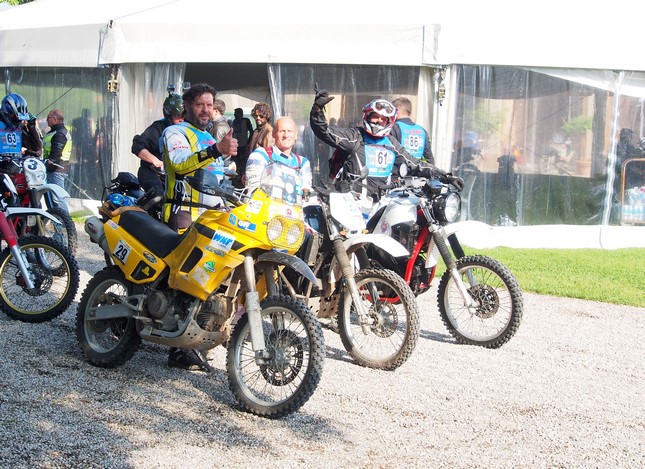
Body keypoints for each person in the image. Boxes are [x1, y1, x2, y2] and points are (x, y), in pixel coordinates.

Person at [160, 83, 238, 372]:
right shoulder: (176, 132)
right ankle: (178, 349)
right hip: (183, 213)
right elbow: (181, 165)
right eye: (200, 104)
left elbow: (215, 177)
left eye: (209, 105)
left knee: (212, 279)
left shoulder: (207, 137)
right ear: (188, 106)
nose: (206, 110)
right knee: (184, 283)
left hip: (212, 217)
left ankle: (198, 336)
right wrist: (217, 150)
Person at [310, 86, 463, 202]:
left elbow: (416, 164)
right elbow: (324, 131)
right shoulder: (354, 136)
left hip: (382, 203)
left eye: (383, 119)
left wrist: (446, 176)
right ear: (367, 116)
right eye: (375, 116)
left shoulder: (391, 142)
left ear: (389, 122)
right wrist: (317, 110)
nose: (378, 121)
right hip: (352, 202)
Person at [131, 93, 184, 198]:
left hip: (174, 176)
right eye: (178, 116)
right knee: (158, 197)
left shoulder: (187, 131)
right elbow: (137, 145)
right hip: (152, 173)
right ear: (169, 115)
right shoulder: (158, 128)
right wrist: (155, 161)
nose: (181, 119)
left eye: (184, 116)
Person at [244, 115, 312, 193]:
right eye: (282, 131)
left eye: (290, 131)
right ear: (273, 133)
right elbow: (253, 189)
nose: (286, 135)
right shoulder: (260, 155)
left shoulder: (302, 163)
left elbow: (307, 190)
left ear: (296, 135)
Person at [43, 109, 72, 212]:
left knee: (58, 198)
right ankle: (56, 219)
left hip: (56, 170)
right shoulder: (54, 132)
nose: (46, 120)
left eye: (48, 118)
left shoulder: (60, 134)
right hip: (54, 169)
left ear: (55, 119)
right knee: (51, 198)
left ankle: (64, 220)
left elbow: (55, 156)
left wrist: (49, 164)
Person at [390, 97, 434, 164]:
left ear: (396, 111)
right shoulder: (422, 131)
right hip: (417, 168)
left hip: (399, 168)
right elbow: (429, 158)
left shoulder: (393, 127)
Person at [0, 93, 30, 159]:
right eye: (14, 117)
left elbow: (36, 148)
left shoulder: (20, 127)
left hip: (15, 163)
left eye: (20, 118)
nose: (18, 121)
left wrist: (32, 126)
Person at [230, 107, 253, 184]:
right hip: (236, 146)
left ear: (241, 114)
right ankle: (237, 177)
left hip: (243, 145)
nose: (234, 115)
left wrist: (249, 141)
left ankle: (243, 177)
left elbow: (251, 131)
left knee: (243, 162)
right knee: (236, 162)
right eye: (234, 114)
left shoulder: (246, 120)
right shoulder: (234, 121)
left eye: (236, 113)